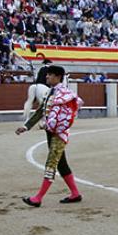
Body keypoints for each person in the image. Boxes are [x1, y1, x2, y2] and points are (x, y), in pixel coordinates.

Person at [16, 65, 84, 207]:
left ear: (57, 77)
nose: (46, 77)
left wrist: (52, 126)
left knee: (51, 163)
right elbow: (40, 111)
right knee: (62, 165)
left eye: (49, 75)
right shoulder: (50, 93)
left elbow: (67, 115)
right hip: (50, 133)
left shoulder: (63, 94)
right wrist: (26, 126)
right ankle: (75, 194)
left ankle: (38, 198)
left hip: (59, 135)